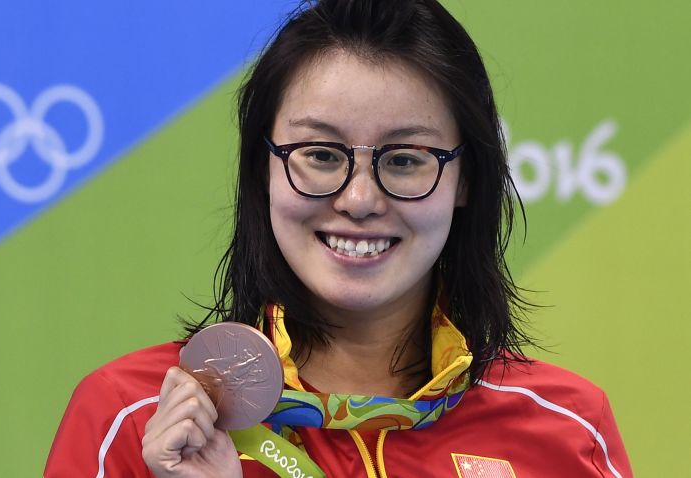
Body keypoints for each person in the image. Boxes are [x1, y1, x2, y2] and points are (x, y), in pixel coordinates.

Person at [44, 1, 632, 476]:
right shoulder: (132, 419)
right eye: (321, 155)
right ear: (262, 172)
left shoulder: (565, 428)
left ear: (466, 181)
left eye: (405, 159)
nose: (358, 200)